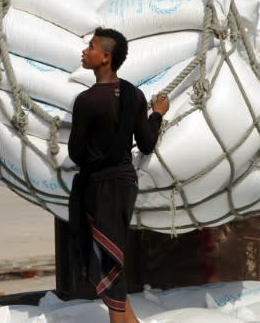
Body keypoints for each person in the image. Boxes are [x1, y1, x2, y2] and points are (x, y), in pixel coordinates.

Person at [67, 27, 169, 323]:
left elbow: (76, 153)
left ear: (105, 58)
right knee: (113, 256)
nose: (85, 51)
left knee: (109, 262)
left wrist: (92, 159)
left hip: (99, 188)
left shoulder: (86, 101)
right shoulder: (134, 95)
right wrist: (158, 114)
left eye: (91, 47)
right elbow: (147, 144)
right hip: (125, 185)